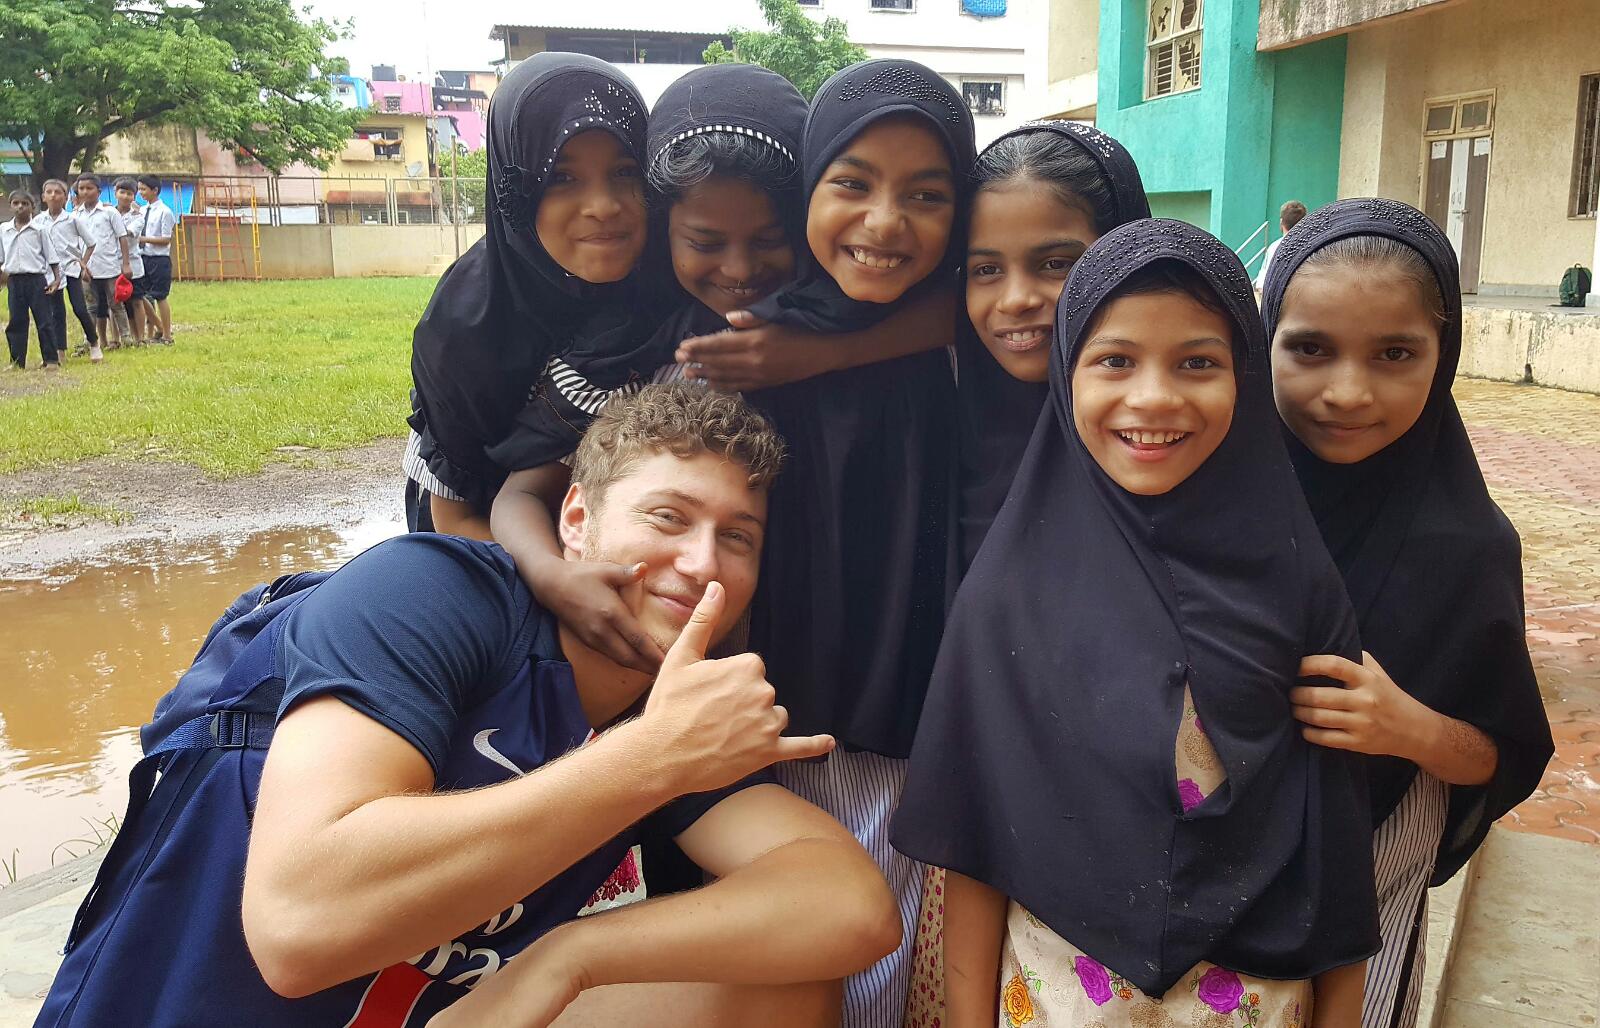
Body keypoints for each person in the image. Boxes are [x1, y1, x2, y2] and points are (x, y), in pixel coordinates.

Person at [35, 383, 901, 1028]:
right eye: (668, 517)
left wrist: (568, 958)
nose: (703, 562)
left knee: (780, 987)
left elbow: (851, 906)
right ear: (575, 520)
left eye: (737, 537)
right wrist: (650, 761)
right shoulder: (433, 592)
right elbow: (297, 928)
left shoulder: (658, 711)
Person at [893, 220, 1380, 1028]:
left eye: (1198, 362)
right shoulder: (1008, 596)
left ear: (1245, 377)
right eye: (1115, 360)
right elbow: (975, 845)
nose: (1153, 397)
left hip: (1257, 1003)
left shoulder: (1298, 587)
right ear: (1065, 376)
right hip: (1055, 999)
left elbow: (1335, 840)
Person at [686, 59, 975, 1028]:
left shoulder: (970, 336)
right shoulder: (746, 339)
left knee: (892, 940)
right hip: (772, 705)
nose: (884, 223)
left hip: (916, 704)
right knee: (782, 943)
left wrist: (834, 351)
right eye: (851, 182)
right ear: (806, 183)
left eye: (927, 194)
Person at [1261, 197, 1553, 1028]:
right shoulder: (1208, 509)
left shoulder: (1469, 549)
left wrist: (1408, 728)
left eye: (1395, 354)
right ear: (1263, 341)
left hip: (1374, 875)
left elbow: (1505, 752)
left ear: (1444, 355)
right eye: (1310, 348)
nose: (1348, 393)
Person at [405, 53, 662, 538]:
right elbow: (455, 520)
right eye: (562, 177)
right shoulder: (465, 328)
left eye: (625, 171)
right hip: (482, 543)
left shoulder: (667, 290)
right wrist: (556, 578)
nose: (603, 206)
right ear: (517, 192)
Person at [955, 120, 1151, 571]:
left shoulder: (1165, 438)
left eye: (1056, 264)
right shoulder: (940, 444)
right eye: (986, 270)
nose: (1016, 299)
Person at [70, 173, 132, 363]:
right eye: (81, 189)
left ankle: (126, 338)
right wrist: (80, 265)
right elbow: (73, 243)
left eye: (89, 188)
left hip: (109, 266)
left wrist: (126, 263)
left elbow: (122, 237)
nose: (85, 192)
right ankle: (89, 340)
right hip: (87, 269)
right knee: (90, 307)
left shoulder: (109, 212)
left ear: (98, 191)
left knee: (116, 303)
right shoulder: (75, 215)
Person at [1, 189, 64, 370]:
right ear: (10, 206)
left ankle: (51, 360)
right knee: (16, 321)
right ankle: (16, 362)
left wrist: (56, 279)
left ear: (32, 207)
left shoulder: (39, 230)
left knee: (44, 320)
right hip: (14, 280)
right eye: (16, 203)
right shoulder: (4, 229)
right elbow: (1, 257)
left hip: (36, 280)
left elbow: (51, 256)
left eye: (25, 204)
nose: (20, 207)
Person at [36, 179, 98, 358]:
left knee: (79, 308)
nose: (53, 195)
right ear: (43, 197)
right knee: (56, 311)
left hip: (70, 268)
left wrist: (83, 262)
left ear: (65, 198)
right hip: (50, 272)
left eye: (58, 192)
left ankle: (94, 342)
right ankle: (60, 350)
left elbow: (91, 243)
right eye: (49, 192)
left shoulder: (72, 219)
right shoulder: (39, 220)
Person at [135, 174, 175, 344]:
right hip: (143, 257)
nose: (140, 193)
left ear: (155, 190)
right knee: (138, 294)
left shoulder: (165, 212)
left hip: (159, 259)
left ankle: (167, 335)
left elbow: (166, 239)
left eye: (143, 189)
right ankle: (157, 326)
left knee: (160, 296)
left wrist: (144, 239)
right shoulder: (142, 211)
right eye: (139, 189)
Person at [112, 177, 149, 345]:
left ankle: (140, 338)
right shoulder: (108, 213)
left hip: (133, 264)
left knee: (137, 301)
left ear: (134, 196)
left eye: (129, 193)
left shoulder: (138, 217)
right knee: (115, 303)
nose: (125, 196)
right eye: (122, 192)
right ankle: (116, 339)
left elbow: (126, 233)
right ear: (115, 193)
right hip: (112, 263)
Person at [1253, 198, 1307, 290]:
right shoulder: (1312, 248)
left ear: (1281, 222)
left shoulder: (1275, 248)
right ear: (1304, 223)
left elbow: (1262, 285)